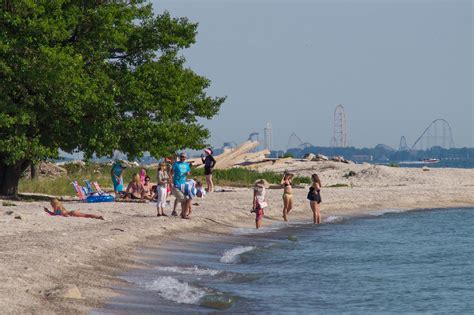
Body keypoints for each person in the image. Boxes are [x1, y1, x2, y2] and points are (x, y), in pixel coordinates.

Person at [170, 152, 191, 218]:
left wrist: (188, 173)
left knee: (182, 198)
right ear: (180, 157)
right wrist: (171, 181)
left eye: (184, 157)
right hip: (177, 183)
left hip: (183, 184)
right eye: (181, 157)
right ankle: (177, 211)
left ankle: (182, 212)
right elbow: (171, 172)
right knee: (181, 198)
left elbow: (188, 172)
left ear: (185, 158)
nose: (182, 158)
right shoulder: (176, 164)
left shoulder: (187, 165)